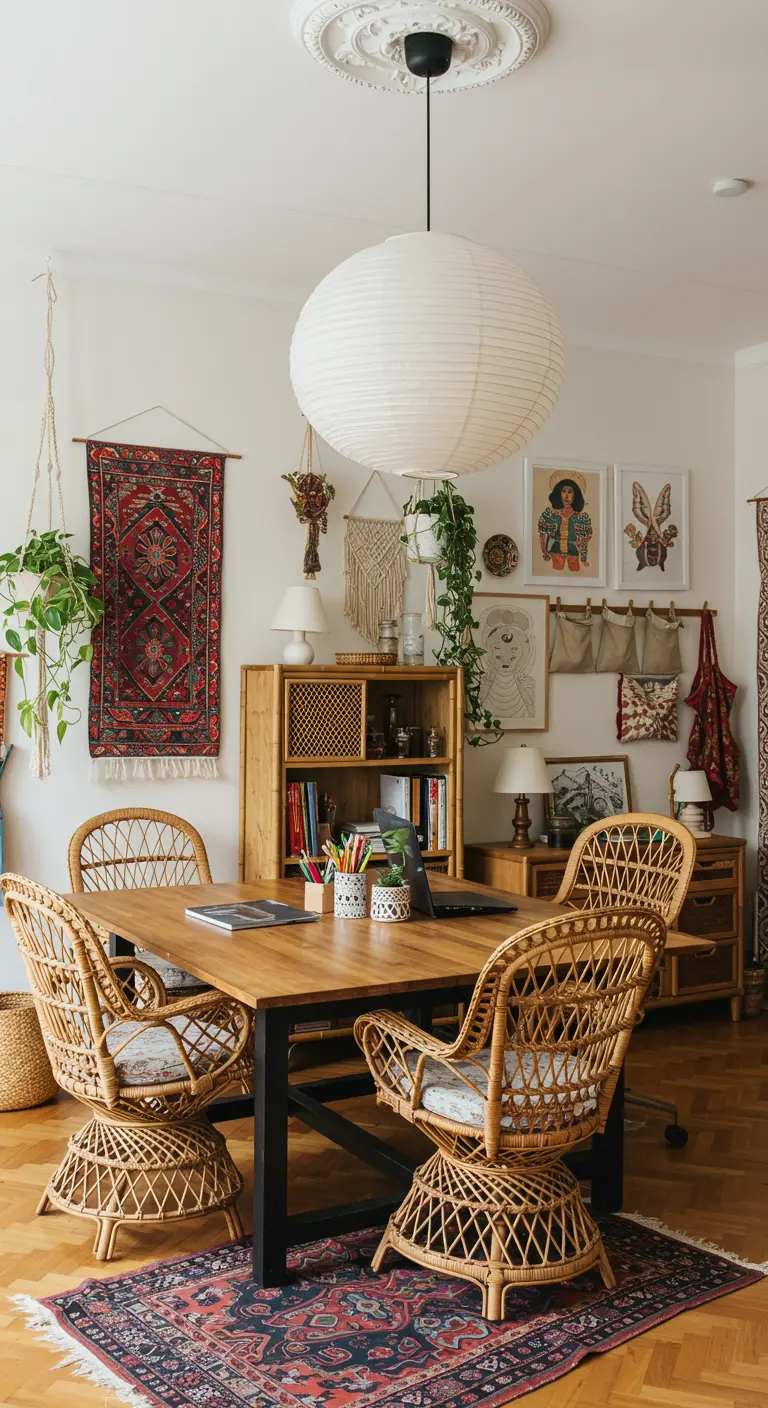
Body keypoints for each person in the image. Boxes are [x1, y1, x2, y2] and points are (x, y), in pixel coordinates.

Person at [478, 606, 536, 720]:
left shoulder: (527, 684)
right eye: (497, 648)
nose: (506, 658)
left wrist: (520, 685)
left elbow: (532, 712)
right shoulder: (484, 681)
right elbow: (478, 707)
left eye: (514, 649)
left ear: (524, 652)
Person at [537, 470, 593, 573]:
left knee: (575, 572)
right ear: (559, 493)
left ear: (575, 494)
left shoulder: (581, 518)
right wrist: (544, 551)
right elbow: (542, 533)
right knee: (557, 572)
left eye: (570, 492)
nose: (567, 496)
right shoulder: (551, 514)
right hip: (556, 551)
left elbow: (585, 539)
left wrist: (583, 558)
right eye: (564, 491)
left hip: (573, 552)